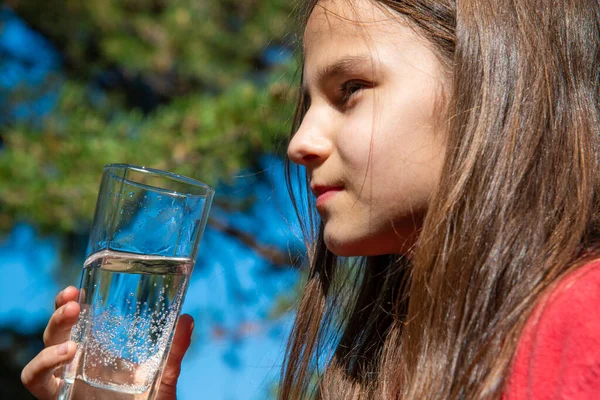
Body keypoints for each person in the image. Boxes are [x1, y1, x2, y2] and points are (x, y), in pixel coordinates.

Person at [22, 0, 600, 399]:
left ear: (493, 83)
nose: (299, 143)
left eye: (350, 90)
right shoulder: (390, 367)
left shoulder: (582, 320)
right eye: (306, 105)